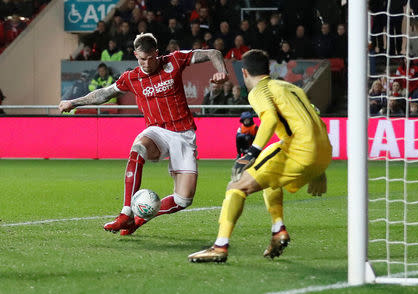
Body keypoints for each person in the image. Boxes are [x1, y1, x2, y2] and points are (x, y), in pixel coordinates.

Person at [59, 33, 228, 235]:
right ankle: (126, 212)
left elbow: (213, 53)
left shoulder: (174, 60)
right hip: (157, 130)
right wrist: (74, 102)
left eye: (150, 58)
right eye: (141, 59)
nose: (146, 63)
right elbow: (104, 93)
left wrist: (222, 72)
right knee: (138, 147)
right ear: (135, 55)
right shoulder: (132, 77)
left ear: (157, 54)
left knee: (183, 200)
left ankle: (137, 220)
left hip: (183, 135)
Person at [188, 49, 332, 263]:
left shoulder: (259, 90)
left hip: (299, 149)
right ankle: (278, 229)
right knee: (270, 179)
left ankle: (219, 247)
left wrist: (250, 153)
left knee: (236, 187)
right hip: (323, 151)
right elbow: (316, 119)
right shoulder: (291, 87)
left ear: (244, 73)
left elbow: (270, 119)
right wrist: (319, 170)